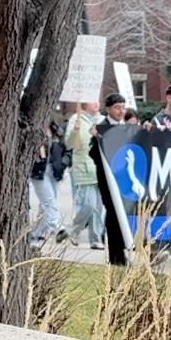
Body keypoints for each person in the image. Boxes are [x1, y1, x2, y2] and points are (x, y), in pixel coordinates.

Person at [62, 100, 106, 249]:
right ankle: (73, 230)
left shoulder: (102, 120)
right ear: (85, 103)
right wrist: (75, 130)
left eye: (97, 100)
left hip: (101, 168)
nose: (96, 103)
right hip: (84, 168)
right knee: (88, 204)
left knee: (99, 207)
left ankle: (96, 238)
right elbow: (69, 144)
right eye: (92, 101)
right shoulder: (77, 119)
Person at [29, 119, 68, 248]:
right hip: (39, 171)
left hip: (53, 171)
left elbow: (66, 148)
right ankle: (58, 227)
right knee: (49, 201)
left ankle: (35, 235)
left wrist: (63, 163)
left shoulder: (56, 130)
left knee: (45, 206)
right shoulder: (32, 129)